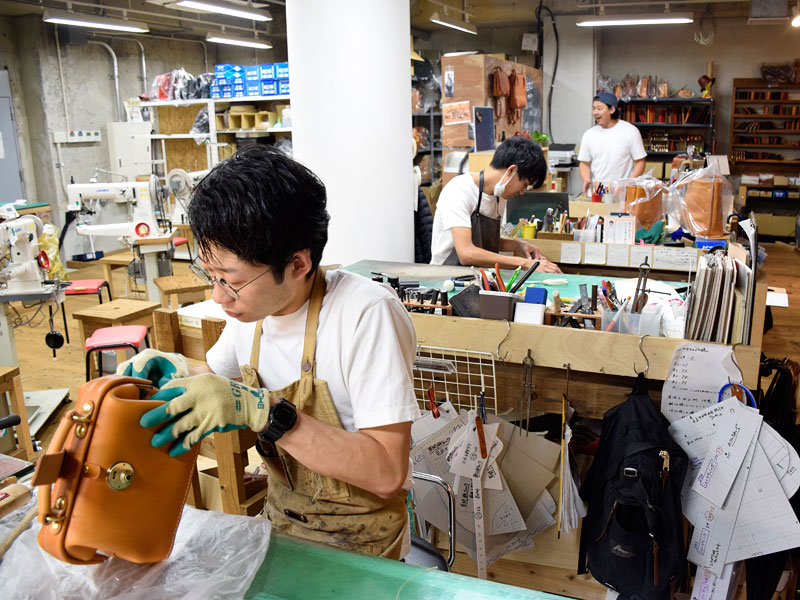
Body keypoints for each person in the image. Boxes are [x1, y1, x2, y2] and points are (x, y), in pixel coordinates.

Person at [118, 145, 421, 560]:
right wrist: (174, 370)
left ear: (297, 264)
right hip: (282, 524)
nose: (218, 296)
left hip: (362, 543)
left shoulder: (365, 314)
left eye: (230, 280)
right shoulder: (253, 313)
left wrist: (267, 413)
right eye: (210, 276)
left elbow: (387, 471)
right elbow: (214, 376)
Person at [429, 137, 561, 273]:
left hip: (477, 278)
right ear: (511, 171)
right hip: (446, 279)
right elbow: (466, 253)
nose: (522, 192)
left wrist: (519, 245)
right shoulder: (459, 190)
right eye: (525, 184)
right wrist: (526, 264)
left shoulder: (500, 195)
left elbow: (484, 241)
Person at [579, 91, 647, 196]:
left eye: (599, 108)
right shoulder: (589, 134)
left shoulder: (630, 131)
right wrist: (586, 179)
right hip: (598, 190)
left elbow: (640, 161)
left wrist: (628, 184)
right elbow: (584, 163)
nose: (595, 112)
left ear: (612, 109)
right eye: (594, 108)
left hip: (621, 191)